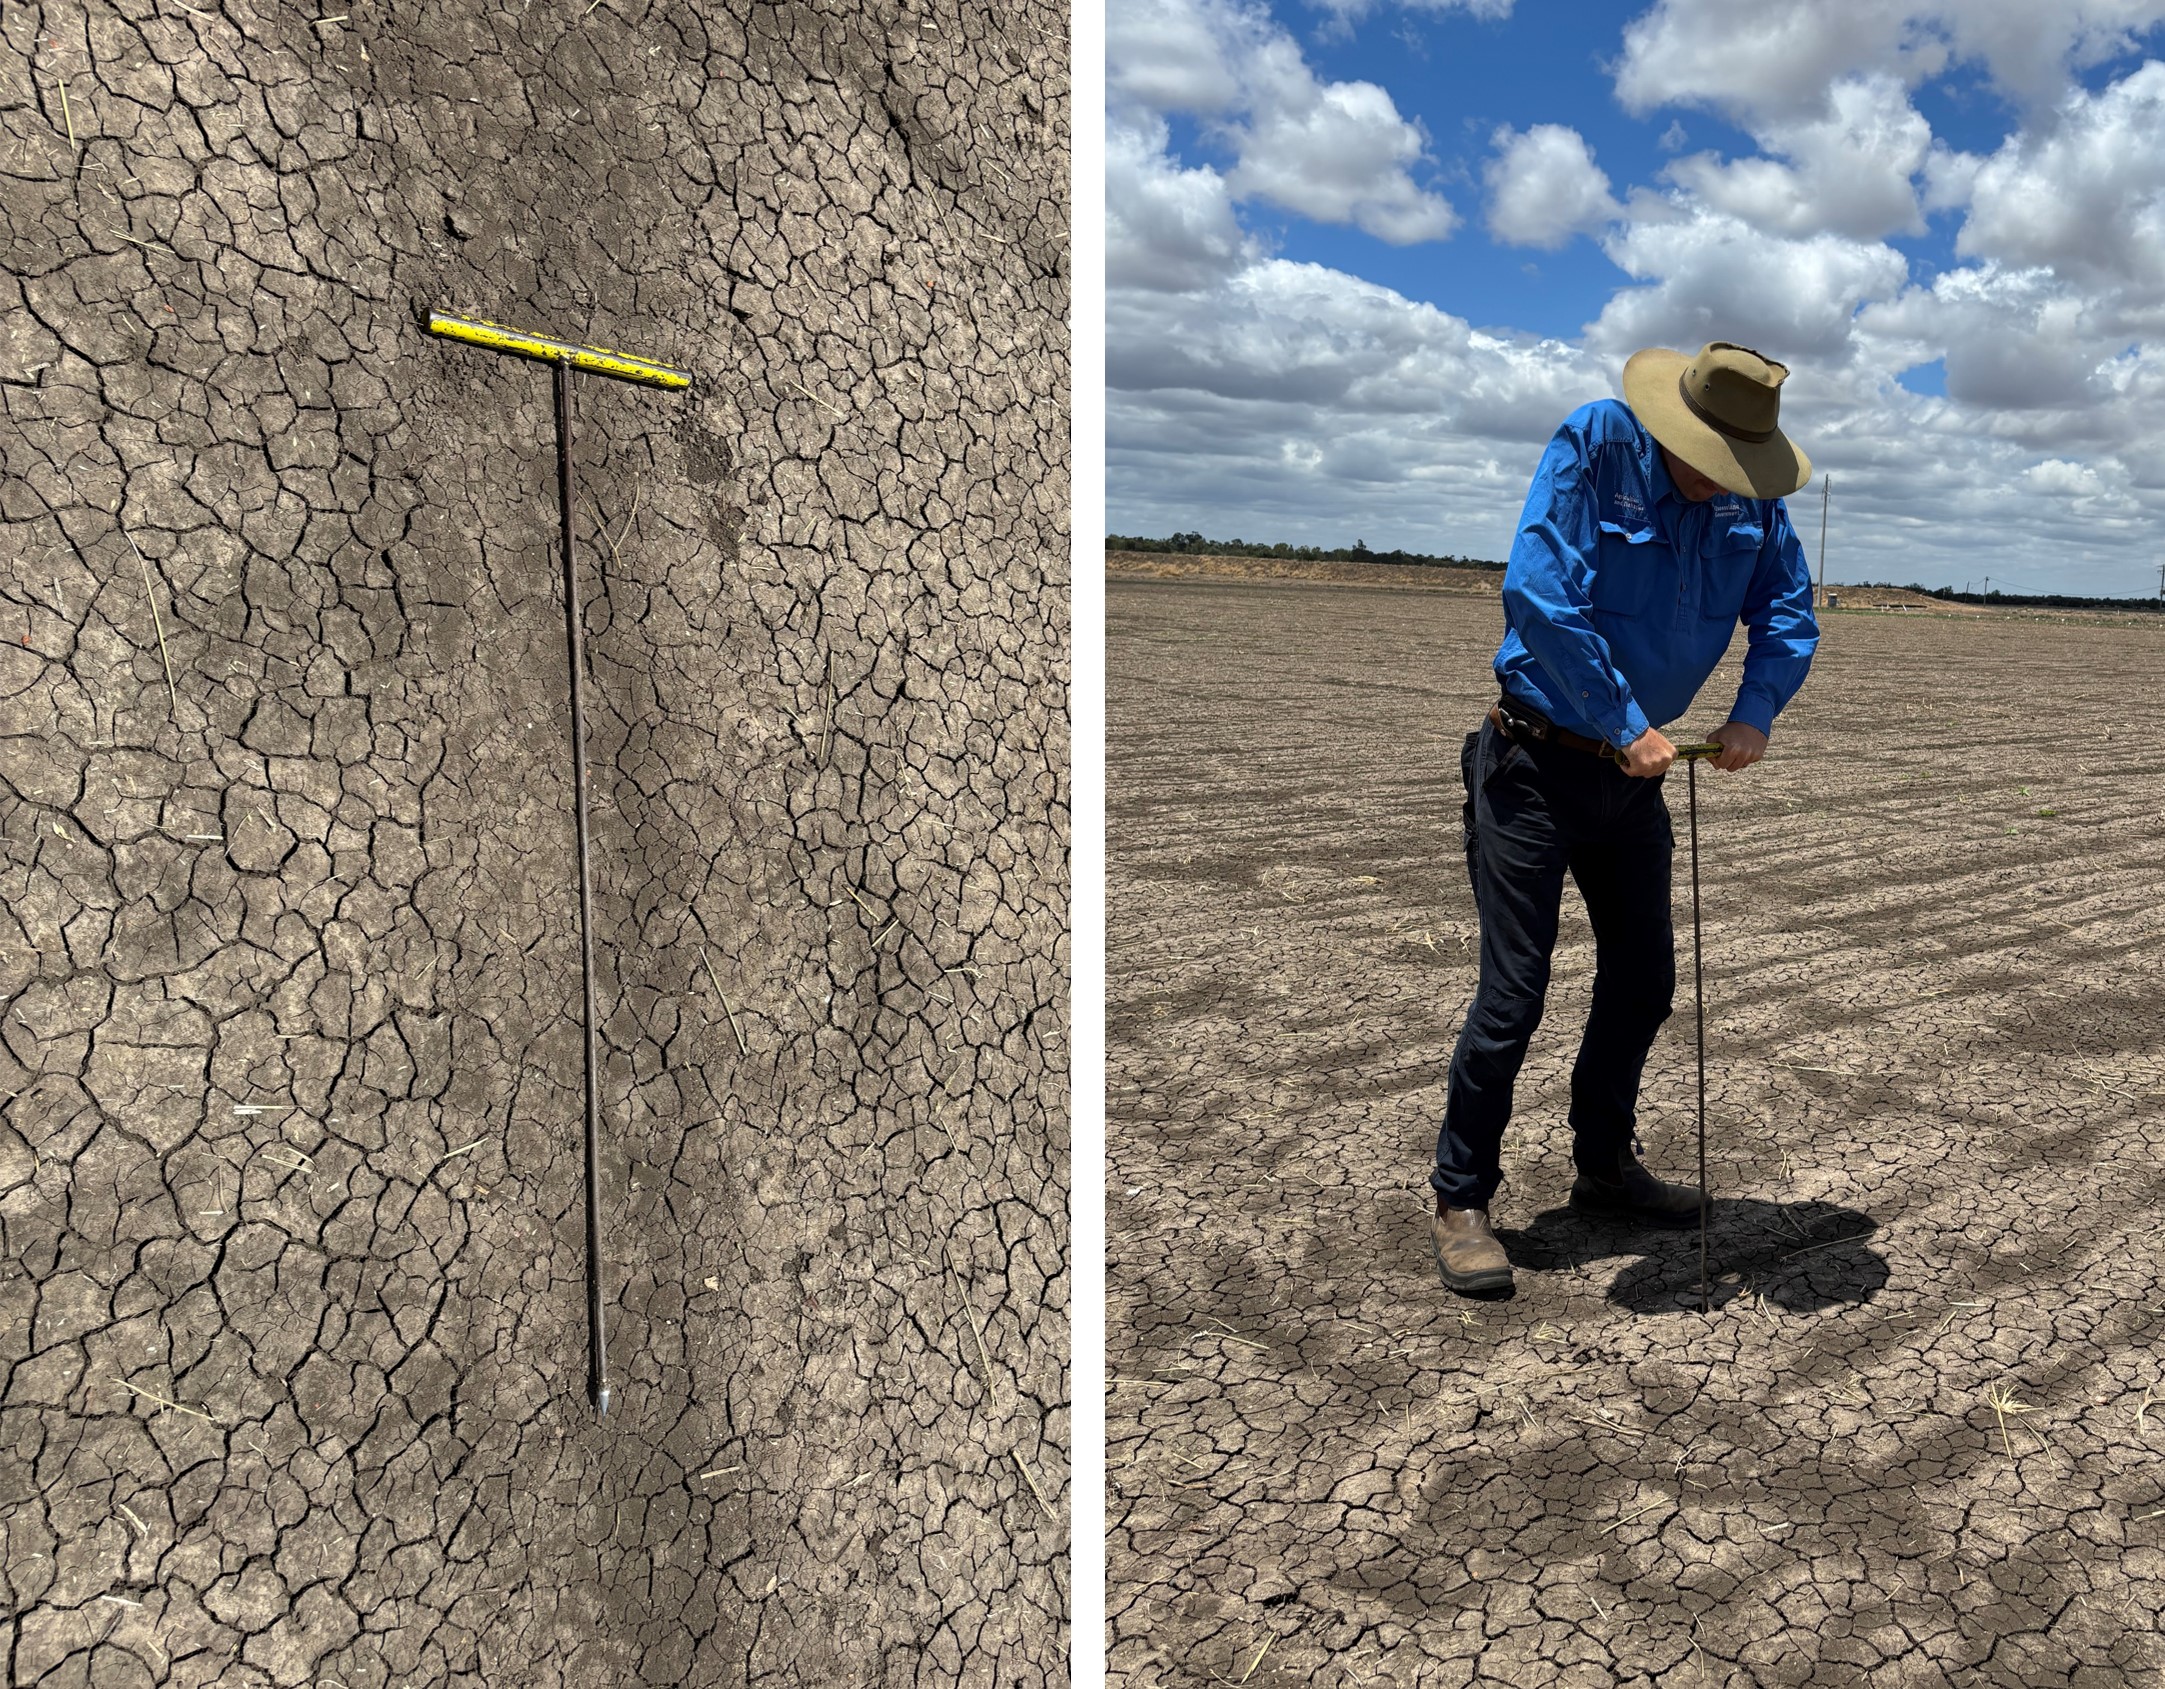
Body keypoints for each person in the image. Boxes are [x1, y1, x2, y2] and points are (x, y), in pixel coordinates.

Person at [1430, 341, 1820, 1295]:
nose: (1728, 482)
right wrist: (1620, 717)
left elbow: (1788, 613)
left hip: (1631, 783)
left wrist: (1751, 714)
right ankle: (1461, 1197)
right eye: (1715, 460)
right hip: (1535, 761)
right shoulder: (1596, 443)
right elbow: (1539, 592)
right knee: (1514, 993)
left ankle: (1603, 1165)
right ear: (1673, 427)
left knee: (1643, 979)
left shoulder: (1751, 504)